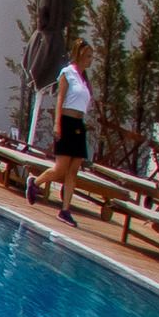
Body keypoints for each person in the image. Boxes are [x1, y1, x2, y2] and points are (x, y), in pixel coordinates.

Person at [41, 58, 94, 213]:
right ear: (78, 55)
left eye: (91, 55)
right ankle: (35, 183)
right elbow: (60, 100)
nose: (89, 59)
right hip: (66, 122)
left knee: (73, 171)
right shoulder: (67, 73)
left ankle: (65, 210)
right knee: (60, 169)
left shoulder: (84, 79)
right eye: (87, 55)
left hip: (79, 124)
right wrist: (57, 124)